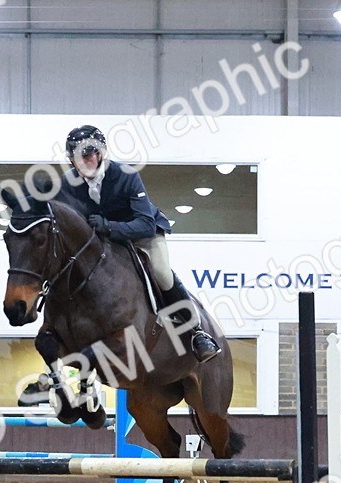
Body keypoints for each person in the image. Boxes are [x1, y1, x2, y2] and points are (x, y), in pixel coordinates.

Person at [57, 125, 220, 363]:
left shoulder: (126, 175)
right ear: (71, 159)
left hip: (142, 234)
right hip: (102, 241)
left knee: (162, 273)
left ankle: (197, 333)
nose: (87, 159)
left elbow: (144, 223)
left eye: (91, 153)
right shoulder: (66, 183)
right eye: (80, 155)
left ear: (101, 153)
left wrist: (110, 227)